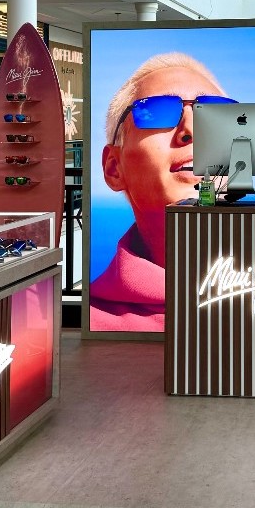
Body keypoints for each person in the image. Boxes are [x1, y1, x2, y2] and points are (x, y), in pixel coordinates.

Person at [89, 53, 230, 332]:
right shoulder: (96, 319)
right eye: (158, 111)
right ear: (114, 168)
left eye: (216, 113)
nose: (191, 130)